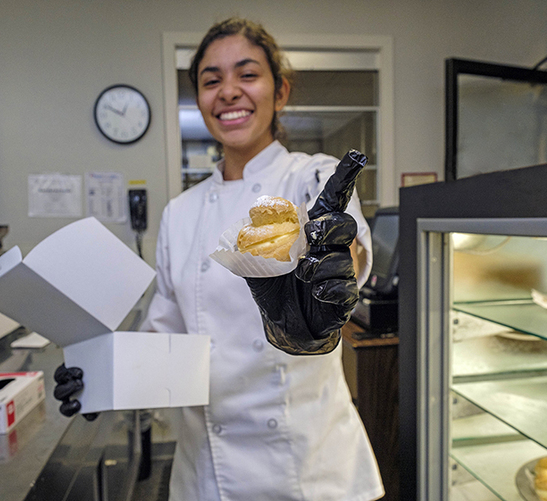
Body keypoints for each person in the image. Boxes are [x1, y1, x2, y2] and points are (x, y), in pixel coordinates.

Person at [56, 17, 384, 501]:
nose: (229, 91)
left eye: (247, 74)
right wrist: (105, 376)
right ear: (200, 101)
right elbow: (165, 333)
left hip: (309, 470)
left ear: (281, 91)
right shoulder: (179, 212)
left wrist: (333, 274)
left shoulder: (311, 178)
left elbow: (345, 246)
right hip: (207, 474)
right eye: (212, 80)